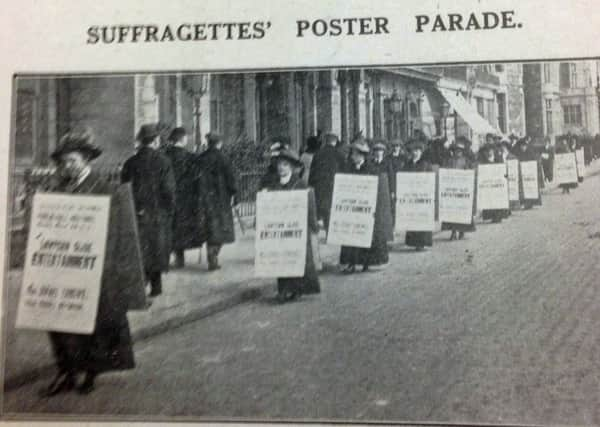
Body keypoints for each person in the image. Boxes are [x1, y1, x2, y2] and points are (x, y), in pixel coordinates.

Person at [41, 130, 135, 397]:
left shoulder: (105, 189)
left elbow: (115, 232)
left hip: (95, 267)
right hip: (63, 266)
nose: (67, 166)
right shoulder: (57, 189)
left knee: (92, 325)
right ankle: (67, 373)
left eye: (72, 161)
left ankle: (91, 373)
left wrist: (105, 265)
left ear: (85, 160)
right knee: (58, 321)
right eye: (63, 163)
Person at [121, 123, 176, 297]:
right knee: (157, 248)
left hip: (137, 212)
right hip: (158, 213)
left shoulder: (130, 163)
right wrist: (170, 209)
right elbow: (169, 190)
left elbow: (124, 189)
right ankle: (156, 286)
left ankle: (141, 284)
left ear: (141, 141)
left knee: (141, 249)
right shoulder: (164, 161)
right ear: (155, 140)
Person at [263, 148, 321, 302]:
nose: (281, 168)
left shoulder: (300, 184)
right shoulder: (273, 185)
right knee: (281, 259)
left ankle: (296, 289)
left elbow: (309, 206)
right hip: (280, 229)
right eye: (279, 165)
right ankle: (283, 290)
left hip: (297, 230)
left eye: (285, 165)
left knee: (297, 259)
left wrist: (313, 226)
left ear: (291, 167)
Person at [339, 137, 392, 273]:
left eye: (356, 154)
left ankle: (366, 262)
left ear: (363, 155)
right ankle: (351, 263)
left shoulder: (371, 169)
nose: (354, 157)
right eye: (353, 154)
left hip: (367, 209)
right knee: (351, 236)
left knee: (367, 236)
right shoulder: (348, 168)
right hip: (352, 209)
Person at [162, 127, 208, 268]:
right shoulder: (190, 157)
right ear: (182, 139)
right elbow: (199, 178)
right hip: (187, 199)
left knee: (170, 226)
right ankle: (179, 257)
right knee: (182, 227)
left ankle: (174, 257)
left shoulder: (164, 156)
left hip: (168, 196)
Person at [200, 132, 238, 270]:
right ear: (219, 143)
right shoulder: (223, 158)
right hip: (221, 199)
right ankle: (214, 255)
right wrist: (235, 194)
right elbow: (231, 179)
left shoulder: (201, 158)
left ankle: (211, 254)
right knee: (222, 228)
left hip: (205, 199)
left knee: (210, 227)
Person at [308, 132, 346, 232]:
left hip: (320, 185)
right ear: (335, 141)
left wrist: (311, 184)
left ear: (326, 141)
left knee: (323, 207)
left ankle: (326, 228)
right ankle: (331, 231)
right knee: (333, 208)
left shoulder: (318, 153)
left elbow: (313, 170)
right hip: (335, 184)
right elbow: (344, 170)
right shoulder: (339, 154)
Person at [441, 137, 476, 240]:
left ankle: (461, 230)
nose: (458, 152)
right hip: (452, 189)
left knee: (462, 211)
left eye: (460, 151)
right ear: (453, 151)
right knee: (452, 212)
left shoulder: (466, 161)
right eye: (456, 151)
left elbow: (470, 172)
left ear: (462, 152)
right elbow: (445, 172)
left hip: (462, 189)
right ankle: (453, 232)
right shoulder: (449, 161)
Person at [402, 139, 434, 250]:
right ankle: (413, 242)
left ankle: (422, 242)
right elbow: (403, 179)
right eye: (413, 151)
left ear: (421, 152)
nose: (415, 153)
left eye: (417, 150)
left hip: (422, 196)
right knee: (412, 218)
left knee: (422, 218)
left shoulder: (425, 165)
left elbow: (430, 180)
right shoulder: (407, 164)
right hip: (411, 196)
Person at [478, 142, 509, 223]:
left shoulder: (498, 159)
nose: (489, 152)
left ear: (493, 151)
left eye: (490, 150)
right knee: (490, 198)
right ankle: (491, 216)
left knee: (497, 198)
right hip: (488, 183)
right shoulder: (483, 161)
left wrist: (504, 176)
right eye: (487, 151)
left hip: (497, 182)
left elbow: (503, 169)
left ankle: (498, 216)